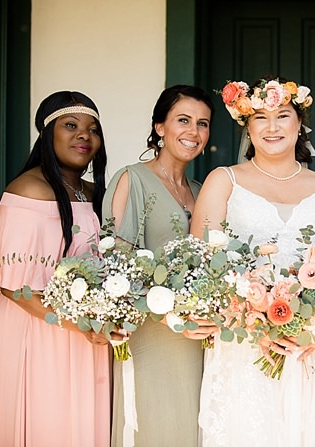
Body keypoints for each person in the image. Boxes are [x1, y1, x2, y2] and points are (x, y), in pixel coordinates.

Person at [192, 78, 315, 446]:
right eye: (260, 118)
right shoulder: (224, 181)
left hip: (313, 345)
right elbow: (202, 263)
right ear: (247, 127)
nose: (272, 127)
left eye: (283, 115)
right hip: (243, 343)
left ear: (301, 125)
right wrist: (247, 314)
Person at [0, 91, 110, 445]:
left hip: (84, 332)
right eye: (71, 125)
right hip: (34, 325)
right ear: (47, 134)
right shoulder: (28, 189)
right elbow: (14, 286)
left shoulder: (92, 192)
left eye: (92, 129)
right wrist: (80, 324)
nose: (84, 135)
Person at [102, 85, 215, 447]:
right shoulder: (131, 179)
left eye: (203, 123)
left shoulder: (201, 191)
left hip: (199, 340)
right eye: (183, 120)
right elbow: (115, 265)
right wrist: (167, 312)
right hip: (151, 335)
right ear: (160, 127)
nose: (193, 132)